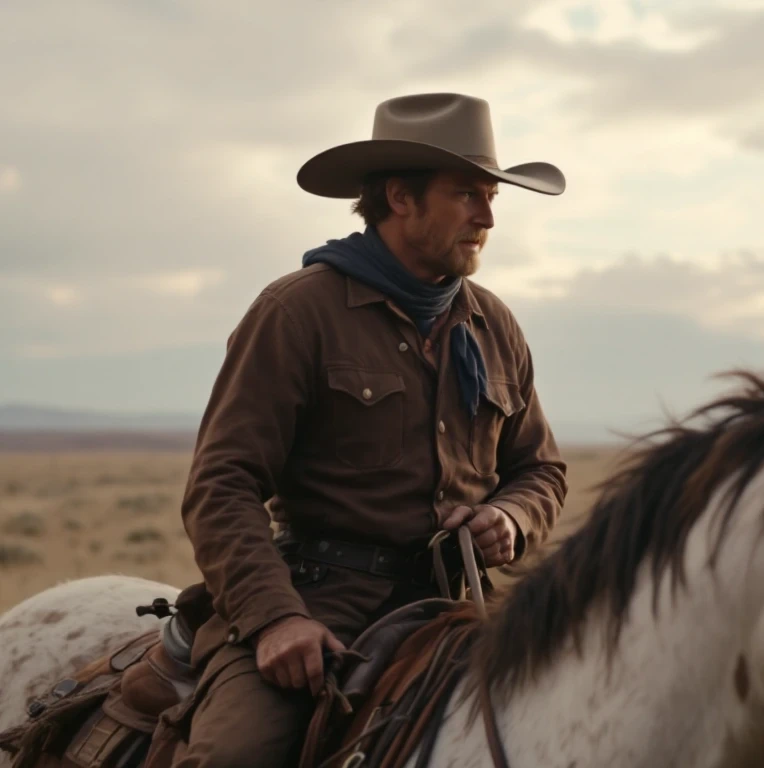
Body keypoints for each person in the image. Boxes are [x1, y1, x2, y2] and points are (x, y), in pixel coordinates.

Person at [165, 93, 568, 767]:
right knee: (238, 754)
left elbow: (541, 469)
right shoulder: (298, 313)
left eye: (492, 196)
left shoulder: (492, 324)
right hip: (318, 604)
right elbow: (222, 484)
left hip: (457, 606)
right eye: (467, 194)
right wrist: (275, 618)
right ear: (399, 198)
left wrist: (511, 517)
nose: (488, 216)